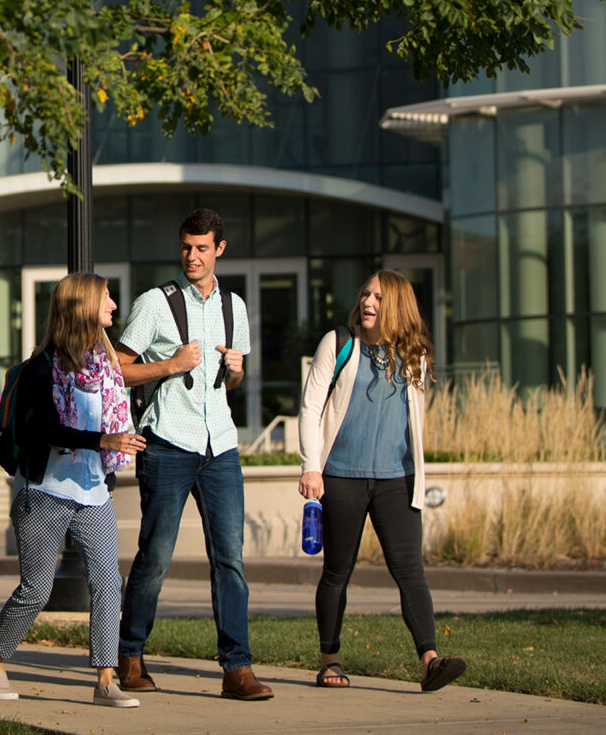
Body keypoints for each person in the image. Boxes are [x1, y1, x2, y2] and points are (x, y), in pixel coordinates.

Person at [115, 207, 273, 701]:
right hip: (168, 443)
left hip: (220, 444)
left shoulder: (235, 307)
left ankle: (237, 669)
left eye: (202, 248)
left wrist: (236, 368)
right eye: (186, 247)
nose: (192, 256)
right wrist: (169, 364)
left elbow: (234, 381)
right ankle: (131, 654)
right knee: (156, 556)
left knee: (230, 559)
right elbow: (118, 370)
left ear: (219, 249)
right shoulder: (155, 303)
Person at [0, 272, 147, 708]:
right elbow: (40, 428)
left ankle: (106, 679)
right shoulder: (41, 368)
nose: (113, 304)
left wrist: (115, 444)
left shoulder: (105, 367)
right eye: (106, 297)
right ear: (83, 306)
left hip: (93, 493)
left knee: (108, 583)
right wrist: (102, 441)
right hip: (44, 491)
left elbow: (112, 415)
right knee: (36, 589)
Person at [298, 269, 467, 692]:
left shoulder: (415, 356)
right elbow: (310, 406)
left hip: (397, 478)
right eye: (366, 295)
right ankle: (330, 660)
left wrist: (418, 476)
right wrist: (310, 466)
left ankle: (430, 660)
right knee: (337, 571)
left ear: (397, 306)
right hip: (341, 476)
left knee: (411, 571)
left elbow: (414, 423)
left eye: (378, 297)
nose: (368, 303)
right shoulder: (340, 343)